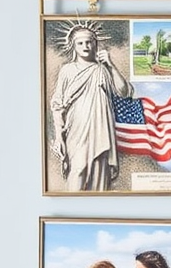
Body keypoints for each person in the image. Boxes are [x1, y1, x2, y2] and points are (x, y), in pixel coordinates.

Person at [50, 24, 133, 192]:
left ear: (95, 44)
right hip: (76, 130)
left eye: (89, 42)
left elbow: (124, 92)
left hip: (100, 129)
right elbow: (57, 105)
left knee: (99, 175)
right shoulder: (68, 70)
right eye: (80, 43)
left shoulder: (102, 69)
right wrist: (59, 137)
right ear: (73, 46)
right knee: (78, 169)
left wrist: (111, 65)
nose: (85, 46)